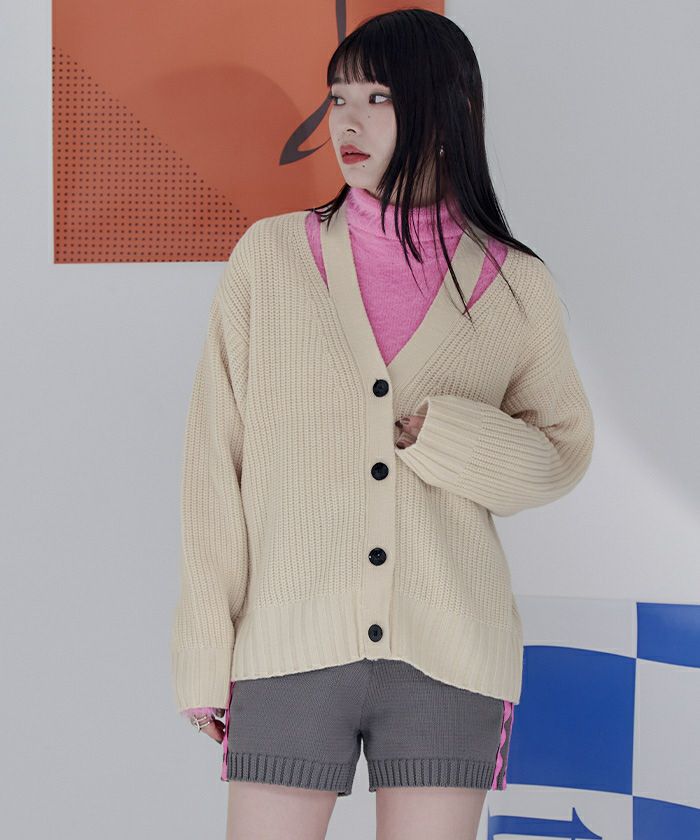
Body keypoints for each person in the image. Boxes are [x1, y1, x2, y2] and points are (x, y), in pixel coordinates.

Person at [171, 8, 595, 840]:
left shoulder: (515, 285)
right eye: (337, 98)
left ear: (448, 108)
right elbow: (213, 463)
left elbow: (560, 454)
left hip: (451, 652)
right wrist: (204, 653)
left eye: (379, 98)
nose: (348, 122)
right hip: (286, 644)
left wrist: (442, 435)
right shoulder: (271, 259)